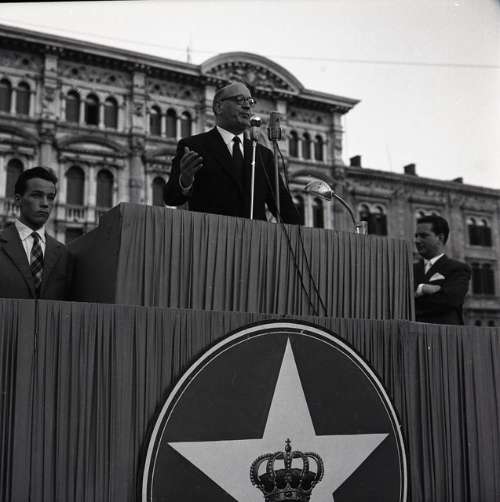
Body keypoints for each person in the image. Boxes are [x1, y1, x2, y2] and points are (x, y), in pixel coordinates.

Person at [163, 81, 300, 224]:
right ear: (219, 107)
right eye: (239, 100)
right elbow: (170, 198)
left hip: (255, 236)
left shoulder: (263, 155)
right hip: (210, 234)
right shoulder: (193, 146)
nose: (247, 106)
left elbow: (286, 210)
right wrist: (185, 181)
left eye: (250, 102)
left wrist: (302, 234)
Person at [0, 166, 72, 300]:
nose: (45, 204)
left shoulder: (64, 254)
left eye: (50, 197)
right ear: (18, 199)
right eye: (37, 195)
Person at [413, 215, 471, 325]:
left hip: (444, 333)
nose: (417, 240)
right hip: (411, 333)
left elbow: (450, 300)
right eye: (416, 236)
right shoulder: (409, 270)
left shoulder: (458, 269)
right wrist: (422, 289)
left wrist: (415, 296)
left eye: (423, 236)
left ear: (440, 238)